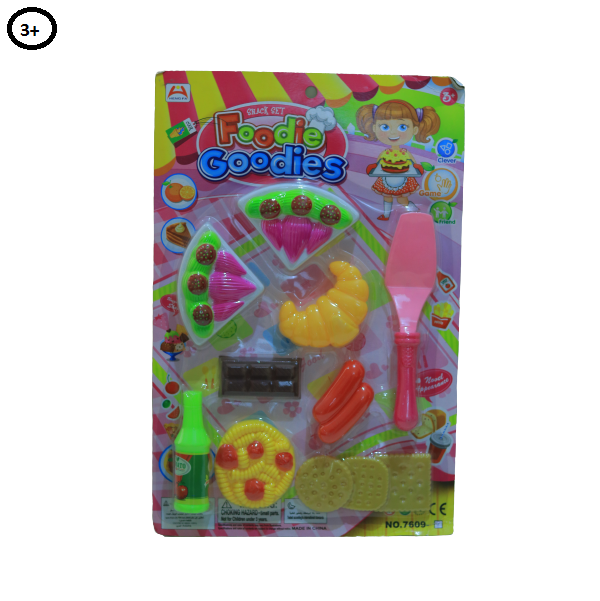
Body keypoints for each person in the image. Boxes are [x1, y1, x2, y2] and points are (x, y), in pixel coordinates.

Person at [356, 100, 440, 220]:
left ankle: (414, 211)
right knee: (387, 197)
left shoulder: (405, 153)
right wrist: (373, 168)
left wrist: (417, 168)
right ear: (374, 128)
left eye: (402, 127)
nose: (393, 132)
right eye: (385, 127)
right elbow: (377, 165)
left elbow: (414, 165)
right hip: (386, 178)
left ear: (415, 130)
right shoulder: (385, 153)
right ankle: (386, 215)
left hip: (403, 179)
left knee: (402, 199)